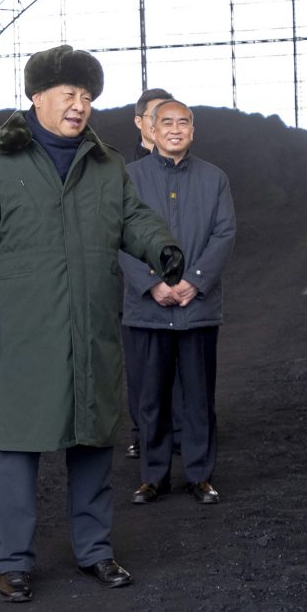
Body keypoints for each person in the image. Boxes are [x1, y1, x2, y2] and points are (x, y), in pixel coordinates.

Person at [0, 45, 182, 603]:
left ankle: (95, 551)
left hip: (92, 326)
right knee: (18, 447)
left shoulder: (106, 164)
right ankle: (14, 562)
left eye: (86, 96)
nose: (79, 105)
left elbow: (132, 218)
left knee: (93, 443)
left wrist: (161, 246)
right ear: (37, 97)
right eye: (68, 94)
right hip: (25, 332)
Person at [122, 99, 235, 505]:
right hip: (147, 309)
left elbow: (224, 234)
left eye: (182, 123)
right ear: (150, 130)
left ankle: (200, 476)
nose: (174, 129)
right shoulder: (128, 177)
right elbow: (116, 234)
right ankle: (153, 477)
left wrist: (194, 282)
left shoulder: (214, 178)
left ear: (192, 131)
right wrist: (152, 284)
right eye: (166, 122)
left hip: (197, 308)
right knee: (151, 398)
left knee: (199, 397)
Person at [125, 87, 175, 460]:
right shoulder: (123, 172)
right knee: (142, 366)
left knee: (180, 364)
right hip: (139, 286)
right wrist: (149, 282)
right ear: (140, 122)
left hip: (179, 282)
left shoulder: (185, 166)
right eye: (155, 115)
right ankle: (143, 434)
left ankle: (178, 431)